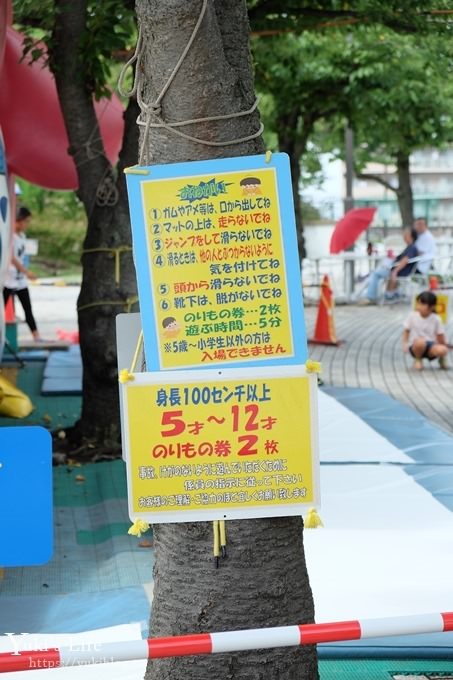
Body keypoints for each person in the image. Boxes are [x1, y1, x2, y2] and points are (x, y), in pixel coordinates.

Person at [3, 206, 42, 341]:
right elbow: (11, 258)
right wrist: (26, 271)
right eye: (26, 221)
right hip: (8, 279)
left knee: (27, 308)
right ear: (19, 221)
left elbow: (20, 257)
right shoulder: (10, 236)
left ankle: (36, 336)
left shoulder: (22, 236)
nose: (27, 225)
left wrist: (25, 271)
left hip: (20, 281)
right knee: (3, 310)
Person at [359, 227, 418, 304]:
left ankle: (370, 297)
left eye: (406, 234)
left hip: (399, 271)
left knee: (375, 274)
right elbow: (401, 259)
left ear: (411, 236)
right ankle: (376, 295)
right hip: (395, 269)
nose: (404, 236)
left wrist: (395, 271)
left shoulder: (412, 248)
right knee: (376, 272)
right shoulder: (410, 247)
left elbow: (405, 260)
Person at [402, 290, 448, 371]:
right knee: (420, 342)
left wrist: (443, 347)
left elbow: (440, 335)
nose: (419, 306)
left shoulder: (436, 318)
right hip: (415, 345)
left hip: (430, 345)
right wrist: (405, 343)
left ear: (432, 307)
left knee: (443, 350)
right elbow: (406, 330)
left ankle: (441, 359)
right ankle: (418, 359)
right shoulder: (412, 316)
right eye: (418, 303)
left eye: (422, 304)